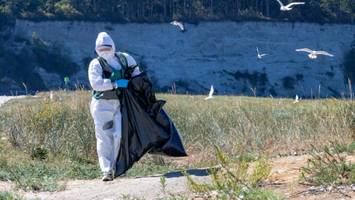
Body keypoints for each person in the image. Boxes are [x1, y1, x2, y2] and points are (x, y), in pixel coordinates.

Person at [88, 32, 141, 181]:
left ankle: (118, 167)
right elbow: (96, 84)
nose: (104, 51)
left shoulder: (125, 59)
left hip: (121, 103)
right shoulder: (95, 64)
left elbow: (137, 73)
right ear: (97, 49)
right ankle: (107, 170)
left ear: (113, 46)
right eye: (101, 48)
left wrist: (135, 84)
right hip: (102, 106)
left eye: (107, 48)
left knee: (119, 134)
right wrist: (116, 84)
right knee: (104, 137)